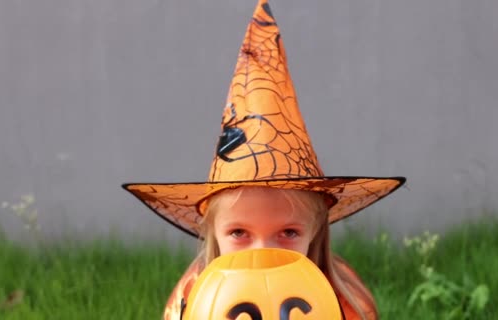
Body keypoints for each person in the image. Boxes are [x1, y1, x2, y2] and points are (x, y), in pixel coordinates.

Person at [122, 1, 406, 319]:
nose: (263, 255)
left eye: (288, 232)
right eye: (239, 233)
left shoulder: (346, 305)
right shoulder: (190, 304)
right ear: (213, 230)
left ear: (316, 231)